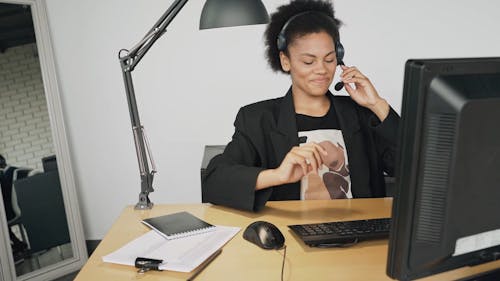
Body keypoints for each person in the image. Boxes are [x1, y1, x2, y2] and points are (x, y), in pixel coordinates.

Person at [202, 0, 399, 212]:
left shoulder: (361, 113)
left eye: (329, 59)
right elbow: (214, 181)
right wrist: (277, 175)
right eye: (308, 62)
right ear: (286, 61)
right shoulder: (257, 119)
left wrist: (377, 104)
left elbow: (416, 169)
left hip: (360, 236)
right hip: (292, 238)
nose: (322, 70)